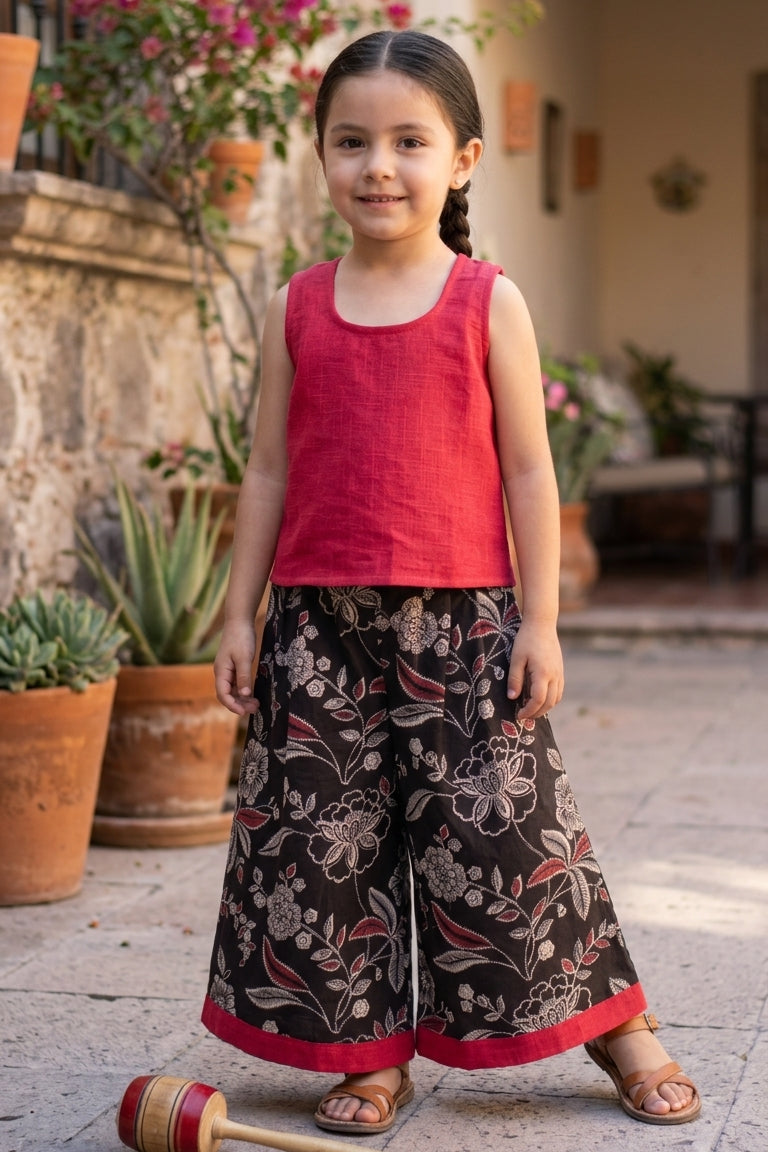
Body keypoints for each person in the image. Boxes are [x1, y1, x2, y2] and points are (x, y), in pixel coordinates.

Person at [202, 28, 700, 1135]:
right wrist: (239, 614)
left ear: (464, 159)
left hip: (466, 624)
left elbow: (531, 469)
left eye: (408, 141)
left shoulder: (487, 301)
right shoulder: (297, 305)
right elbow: (268, 468)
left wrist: (542, 621)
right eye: (351, 142)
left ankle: (619, 1026)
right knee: (322, 849)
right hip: (315, 628)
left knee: (507, 840)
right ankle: (366, 1055)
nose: (378, 166)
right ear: (321, 156)